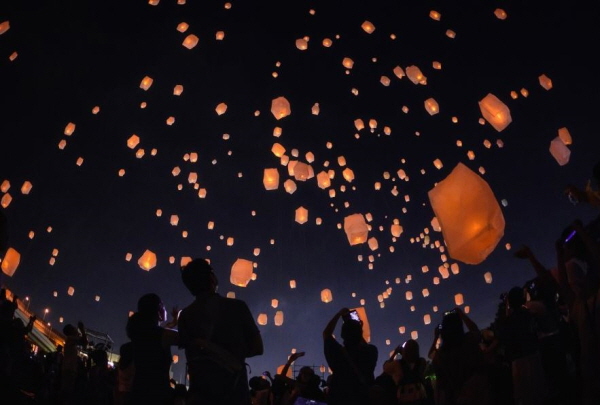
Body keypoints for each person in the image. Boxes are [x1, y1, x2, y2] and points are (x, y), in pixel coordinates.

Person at [178, 258, 264, 405]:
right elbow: (258, 348)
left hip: (200, 395)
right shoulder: (237, 307)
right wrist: (231, 354)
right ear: (212, 278)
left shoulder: (185, 316)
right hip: (234, 393)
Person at [555, 221, 600, 405]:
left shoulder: (578, 307)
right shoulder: (580, 306)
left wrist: (559, 255)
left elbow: (564, 285)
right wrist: (581, 231)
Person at [428, 307, 490, 405]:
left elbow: (430, 354)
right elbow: (475, 331)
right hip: (475, 393)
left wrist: (436, 337)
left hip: (454, 397)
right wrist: (461, 314)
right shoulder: (469, 340)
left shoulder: (441, 353)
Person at [126, 293, 179, 405]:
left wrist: (174, 322)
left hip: (138, 392)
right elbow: (186, 337)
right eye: (163, 306)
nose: (165, 309)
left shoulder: (141, 333)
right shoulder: (161, 335)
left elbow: (162, 331)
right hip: (157, 395)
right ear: (158, 309)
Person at [322, 307, 378, 405]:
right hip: (362, 399)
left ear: (342, 335)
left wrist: (339, 314)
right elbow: (363, 344)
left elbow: (326, 334)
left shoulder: (338, 354)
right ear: (360, 333)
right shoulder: (371, 351)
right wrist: (357, 328)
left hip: (340, 399)